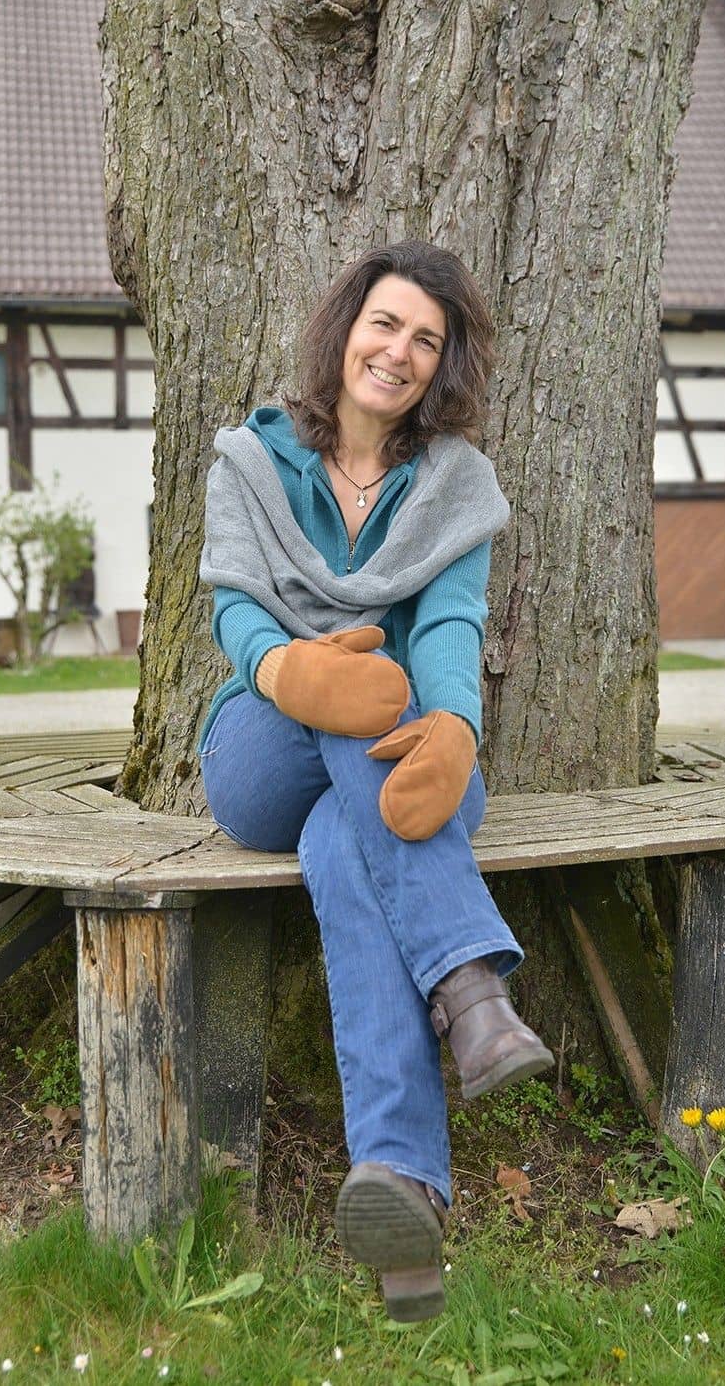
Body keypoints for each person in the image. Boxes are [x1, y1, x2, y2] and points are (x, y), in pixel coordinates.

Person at [198, 240, 554, 1322]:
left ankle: (401, 1192)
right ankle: (470, 990)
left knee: (347, 841)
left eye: (426, 340)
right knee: (360, 687)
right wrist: (288, 667)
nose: (398, 351)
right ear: (346, 326)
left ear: (441, 366)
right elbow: (233, 607)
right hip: (261, 748)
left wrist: (453, 722)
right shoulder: (249, 461)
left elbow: (449, 623)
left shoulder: (457, 486)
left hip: (404, 766)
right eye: (385, 323)